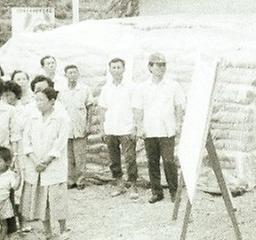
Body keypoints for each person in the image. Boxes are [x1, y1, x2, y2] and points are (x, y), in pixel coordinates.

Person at [20, 87, 71, 240]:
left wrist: (47, 160)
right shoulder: (32, 118)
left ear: (52, 101)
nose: (38, 103)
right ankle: (47, 230)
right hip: (36, 165)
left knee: (57, 197)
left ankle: (62, 229)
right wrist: (36, 160)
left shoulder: (61, 118)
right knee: (41, 198)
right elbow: (26, 140)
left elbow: (60, 142)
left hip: (54, 165)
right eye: (36, 100)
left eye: (41, 100)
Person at [133, 52, 185, 203]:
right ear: (150, 67)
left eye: (164, 64)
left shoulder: (173, 85)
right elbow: (137, 109)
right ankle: (157, 192)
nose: (162, 67)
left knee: (168, 161)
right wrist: (140, 126)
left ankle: (174, 191)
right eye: (158, 64)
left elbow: (179, 105)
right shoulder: (142, 87)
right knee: (152, 162)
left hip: (167, 129)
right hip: (150, 130)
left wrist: (179, 123)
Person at [98, 58, 139, 198]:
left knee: (130, 159)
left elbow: (136, 108)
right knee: (114, 160)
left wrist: (134, 127)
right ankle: (119, 184)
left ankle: (133, 186)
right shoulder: (106, 88)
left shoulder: (131, 87)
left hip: (126, 128)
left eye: (119, 67)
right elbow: (102, 109)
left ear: (124, 69)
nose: (116, 70)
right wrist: (102, 128)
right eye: (113, 68)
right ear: (110, 70)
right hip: (111, 129)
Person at [59, 65, 95, 190]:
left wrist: (88, 124)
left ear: (78, 74)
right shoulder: (62, 91)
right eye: (70, 73)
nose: (72, 75)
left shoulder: (84, 89)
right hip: (65, 128)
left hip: (80, 126)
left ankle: (80, 180)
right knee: (68, 156)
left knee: (80, 156)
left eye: (75, 72)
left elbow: (90, 108)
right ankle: (70, 180)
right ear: (66, 75)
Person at [0, 82, 22, 235]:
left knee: (7, 191)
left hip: (4, 155)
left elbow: (14, 136)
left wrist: (14, 157)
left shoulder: (9, 111)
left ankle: (11, 228)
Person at [0, 146, 19, 240]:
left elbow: (15, 187)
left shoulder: (9, 175)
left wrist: (19, 176)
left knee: (4, 224)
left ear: (7, 163)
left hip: (4, 202)